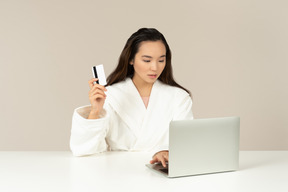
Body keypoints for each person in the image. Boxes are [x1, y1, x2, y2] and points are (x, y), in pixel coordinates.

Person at [70, 28, 193, 167]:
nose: (154, 67)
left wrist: (166, 151)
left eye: (161, 60)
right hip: (118, 174)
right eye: (147, 60)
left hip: (161, 172)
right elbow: (84, 151)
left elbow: (186, 145)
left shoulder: (179, 97)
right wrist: (95, 111)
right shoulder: (110, 95)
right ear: (131, 60)